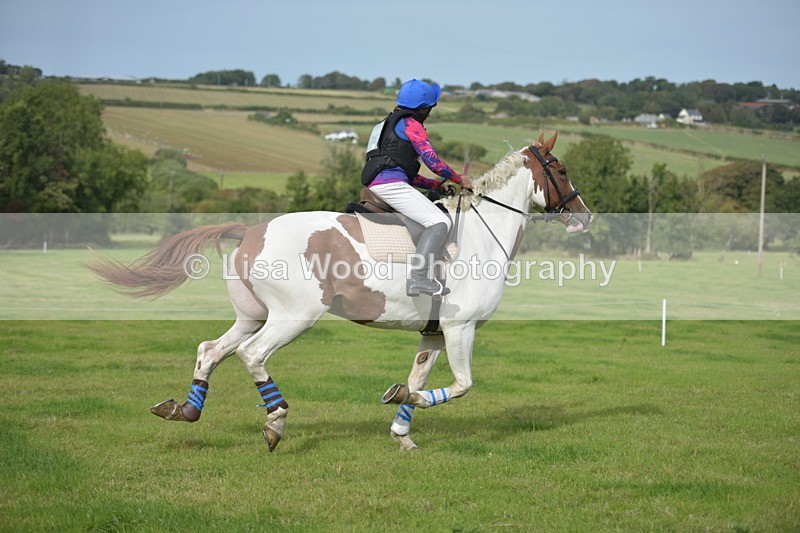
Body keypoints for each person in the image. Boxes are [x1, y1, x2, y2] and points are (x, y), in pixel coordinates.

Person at [361, 79, 472, 297]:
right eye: (429, 109)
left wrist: (436, 186)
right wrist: (461, 180)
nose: (429, 114)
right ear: (422, 109)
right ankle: (418, 278)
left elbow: (401, 170)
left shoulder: (385, 125)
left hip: (379, 183)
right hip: (390, 186)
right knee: (439, 222)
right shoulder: (411, 124)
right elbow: (432, 161)